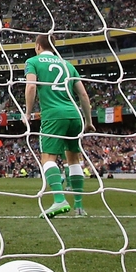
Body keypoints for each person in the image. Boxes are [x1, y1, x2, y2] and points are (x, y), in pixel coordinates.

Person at [23, 34, 95, 218]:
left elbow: (31, 87)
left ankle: (59, 199)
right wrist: (88, 122)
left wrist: (28, 113)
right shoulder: (68, 65)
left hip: (53, 116)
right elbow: (84, 95)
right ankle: (79, 207)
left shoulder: (33, 61)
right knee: (74, 159)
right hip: (74, 115)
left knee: (48, 158)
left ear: (38, 46)